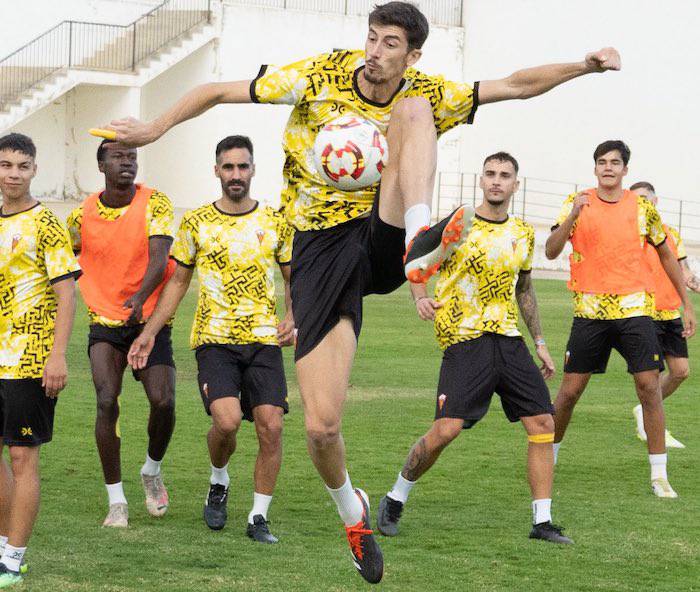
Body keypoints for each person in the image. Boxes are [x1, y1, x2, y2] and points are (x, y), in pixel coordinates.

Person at [101, 2, 620, 581]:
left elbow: (516, 85)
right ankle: (354, 513)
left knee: (416, 110)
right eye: (371, 38)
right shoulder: (321, 74)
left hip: (384, 230)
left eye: (390, 43)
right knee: (321, 427)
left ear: (412, 53)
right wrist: (154, 128)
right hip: (320, 250)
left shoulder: (423, 85)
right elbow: (220, 90)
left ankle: (423, 233)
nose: (375, 51)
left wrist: (585, 66)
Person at [376, 152, 571, 544]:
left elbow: (525, 290)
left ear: (516, 184)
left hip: (510, 340)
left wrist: (541, 343)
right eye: (491, 174)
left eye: (505, 175)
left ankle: (542, 522)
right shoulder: (457, 224)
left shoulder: (522, 232)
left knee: (543, 425)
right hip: (465, 339)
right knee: (446, 430)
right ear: (481, 180)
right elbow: (415, 258)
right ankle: (396, 496)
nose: (497, 181)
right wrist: (419, 297)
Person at [128, 136, 294, 544]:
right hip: (214, 339)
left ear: (253, 170)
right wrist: (149, 333)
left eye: (242, 167)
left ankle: (258, 517)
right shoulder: (197, 221)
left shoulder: (276, 222)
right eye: (228, 167)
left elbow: (295, 277)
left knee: (271, 426)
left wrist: (293, 316)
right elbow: (178, 282)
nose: (235, 175)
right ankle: (219, 478)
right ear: (216, 170)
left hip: (263, 341)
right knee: (228, 421)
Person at [545, 141, 696, 499]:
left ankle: (659, 474)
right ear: (595, 169)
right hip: (590, 314)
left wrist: (686, 304)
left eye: (615, 162)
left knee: (648, 389)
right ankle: (547, 457)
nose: (608, 167)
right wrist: (572, 218)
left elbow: (668, 257)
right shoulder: (576, 202)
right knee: (569, 393)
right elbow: (551, 250)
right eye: (602, 162)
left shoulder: (642, 208)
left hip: (635, 313)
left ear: (625, 170)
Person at [66, 140, 176, 527]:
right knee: (105, 400)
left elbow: (161, 257)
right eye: (118, 157)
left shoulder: (155, 202)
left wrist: (140, 298)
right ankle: (117, 501)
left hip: (149, 322)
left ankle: (151, 469)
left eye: (131, 157)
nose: (127, 163)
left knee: (163, 402)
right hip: (104, 324)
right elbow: (66, 257)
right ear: (101, 165)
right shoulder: (81, 214)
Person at [0, 133, 80, 588]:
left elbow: (67, 295)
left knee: (22, 456)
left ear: (34, 170)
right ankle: (2, 544)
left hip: (30, 358)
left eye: (22, 166)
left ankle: (15, 558)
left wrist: (57, 355)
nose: (13, 173)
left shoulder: (45, 223)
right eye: (6, 165)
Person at [629, 181, 700, 448]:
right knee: (649, 379)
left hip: (670, 314)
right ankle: (654, 428)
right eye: (635, 200)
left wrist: (691, 294)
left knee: (681, 372)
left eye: (645, 199)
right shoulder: (628, 235)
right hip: (642, 314)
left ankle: (642, 411)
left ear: (655, 202)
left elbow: (686, 273)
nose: (641, 204)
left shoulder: (671, 234)